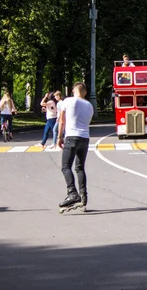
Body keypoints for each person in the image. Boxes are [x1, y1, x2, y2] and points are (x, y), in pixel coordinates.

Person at [56, 82, 94, 212]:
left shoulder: (68, 101)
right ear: (85, 92)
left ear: (73, 91)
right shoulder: (89, 105)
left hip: (71, 136)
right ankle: (83, 197)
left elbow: (62, 120)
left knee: (65, 166)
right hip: (85, 138)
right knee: (79, 168)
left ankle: (72, 193)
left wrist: (59, 137)